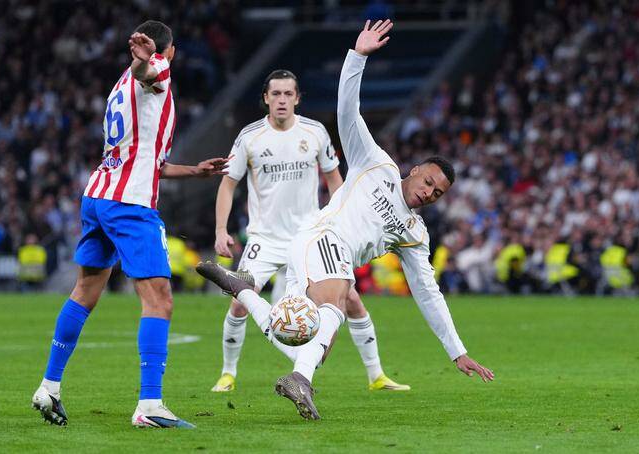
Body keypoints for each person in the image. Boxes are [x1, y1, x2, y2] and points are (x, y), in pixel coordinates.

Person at [197, 20, 493, 420]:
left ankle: (244, 293)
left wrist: (457, 350)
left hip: (314, 252)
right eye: (428, 182)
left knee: (304, 340)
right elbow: (347, 113)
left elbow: (427, 292)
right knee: (338, 299)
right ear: (415, 170)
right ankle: (299, 380)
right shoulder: (376, 164)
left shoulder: (414, 233)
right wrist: (357, 58)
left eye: (437, 193)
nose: (429, 192)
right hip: (322, 237)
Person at [31, 20, 230, 429]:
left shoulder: (120, 85)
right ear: (171, 51)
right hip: (129, 203)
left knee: (86, 290)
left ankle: (49, 386)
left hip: (98, 196)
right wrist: (146, 61)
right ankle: (150, 405)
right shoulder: (155, 68)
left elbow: (149, 160)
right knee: (160, 299)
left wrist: (194, 171)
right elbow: (149, 72)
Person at [212, 69, 409, 393]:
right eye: (276, 94)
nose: (282, 100)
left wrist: (342, 226)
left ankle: (377, 376)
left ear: (297, 98)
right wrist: (221, 229)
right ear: (266, 98)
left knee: (350, 298)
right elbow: (228, 184)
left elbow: (334, 179)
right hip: (263, 238)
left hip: (309, 238)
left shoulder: (315, 132)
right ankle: (228, 373)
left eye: (288, 94)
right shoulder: (249, 137)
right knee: (239, 299)